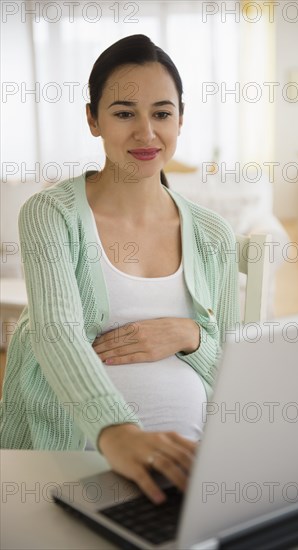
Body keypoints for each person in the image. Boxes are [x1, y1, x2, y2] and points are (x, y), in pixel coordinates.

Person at [0, 34, 241, 504]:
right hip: (74, 463)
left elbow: (233, 370)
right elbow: (57, 334)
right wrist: (119, 434)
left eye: (162, 113)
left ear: (181, 119)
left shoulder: (214, 236)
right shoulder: (50, 215)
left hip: (192, 475)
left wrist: (191, 335)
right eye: (125, 113)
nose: (147, 134)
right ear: (93, 119)